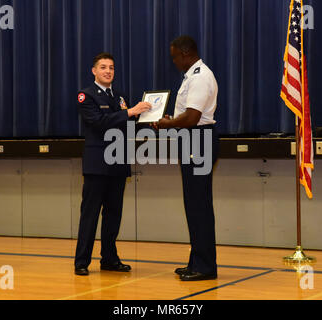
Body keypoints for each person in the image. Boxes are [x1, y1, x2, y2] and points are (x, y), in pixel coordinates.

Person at [74, 52, 151, 276]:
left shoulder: (120, 96)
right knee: (90, 214)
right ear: (94, 71)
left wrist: (146, 120)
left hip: (118, 162)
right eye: (103, 67)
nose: (108, 71)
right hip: (97, 164)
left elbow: (126, 126)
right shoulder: (85, 95)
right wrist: (130, 112)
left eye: (112, 68)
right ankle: (81, 261)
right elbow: (99, 123)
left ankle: (109, 259)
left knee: (113, 214)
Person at [153, 36, 219, 281]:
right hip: (193, 139)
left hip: (199, 140)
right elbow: (187, 116)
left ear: (185, 52)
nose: (174, 61)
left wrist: (170, 122)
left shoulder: (200, 76)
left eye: (174, 57)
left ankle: (205, 267)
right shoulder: (193, 76)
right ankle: (196, 261)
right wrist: (172, 121)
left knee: (199, 205)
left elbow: (192, 118)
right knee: (193, 205)